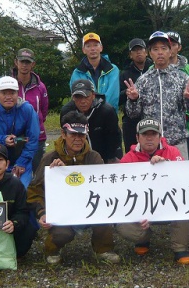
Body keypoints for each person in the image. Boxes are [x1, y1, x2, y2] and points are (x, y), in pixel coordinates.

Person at [28, 111, 121, 265]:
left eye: (82, 135)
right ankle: (52, 250)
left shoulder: (94, 157)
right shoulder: (49, 158)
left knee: (104, 214)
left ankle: (104, 249)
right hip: (63, 211)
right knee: (60, 234)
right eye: (73, 135)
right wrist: (42, 213)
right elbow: (34, 190)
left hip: (89, 207)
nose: (78, 139)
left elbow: (104, 189)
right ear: (63, 134)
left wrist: (69, 175)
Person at [114, 119, 189, 264]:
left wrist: (166, 166)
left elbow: (184, 179)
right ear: (137, 137)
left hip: (169, 203)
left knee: (186, 204)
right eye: (145, 134)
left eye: (153, 134)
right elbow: (121, 191)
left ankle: (180, 247)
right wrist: (136, 213)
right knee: (122, 225)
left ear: (160, 136)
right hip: (142, 207)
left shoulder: (173, 151)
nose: (149, 138)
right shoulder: (128, 159)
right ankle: (143, 238)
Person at [124, 31, 189, 160]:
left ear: (170, 52)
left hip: (177, 143)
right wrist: (133, 100)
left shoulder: (182, 78)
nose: (160, 52)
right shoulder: (143, 81)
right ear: (149, 53)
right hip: (150, 147)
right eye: (155, 49)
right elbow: (132, 114)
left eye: (164, 48)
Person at [0, 76, 40, 189]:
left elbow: (33, 139)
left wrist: (22, 162)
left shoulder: (27, 110)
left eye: (12, 93)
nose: (8, 97)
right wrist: (2, 140)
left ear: (18, 93)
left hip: (22, 160)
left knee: (22, 192)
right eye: (4, 93)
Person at [60, 78, 122, 163]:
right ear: (73, 98)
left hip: (104, 155)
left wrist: (110, 158)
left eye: (86, 97)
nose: (82, 101)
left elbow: (114, 137)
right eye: (78, 97)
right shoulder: (66, 111)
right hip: (77, 157)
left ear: (93, 95)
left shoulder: (107, 111)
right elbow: (65, 138)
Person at [13, 48, 49, 172]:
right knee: (15, 172)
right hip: (14, 136)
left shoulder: (40, 86)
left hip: (37, 137)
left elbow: (43, 111)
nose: (24, 65)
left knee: (37, 173)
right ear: (16, 62)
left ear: (33, 64)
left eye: (27, 62)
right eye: (22, 61)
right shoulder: (8, 84)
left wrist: (35, 124)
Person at [166, 31, 189, 160]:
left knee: (185, 165)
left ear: (179, 47)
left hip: (185, 129)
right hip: (160, 130)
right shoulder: (153, 68)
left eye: (173, 44)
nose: (170, 47)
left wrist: (184, 116)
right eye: (166, 44)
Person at [70, 32, 121, 110]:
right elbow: (77, 97)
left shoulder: (113, 70)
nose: (92, 48)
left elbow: (112, 96)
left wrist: (97, 111)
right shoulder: (77, 73)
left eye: (95, 45)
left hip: (108, 115)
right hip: (85, 116)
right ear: (83, 50)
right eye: (88, 46)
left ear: (101, 47)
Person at [119, 38, 152, 153]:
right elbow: (118, 98)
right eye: (135, 50)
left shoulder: (153, 70)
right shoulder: (124, 73)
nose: (138, 52)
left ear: (146, 52)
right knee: (132, 153)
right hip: (131, 122)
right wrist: (129, 93)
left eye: (141, 49)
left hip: (151, 119)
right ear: (130, 55)